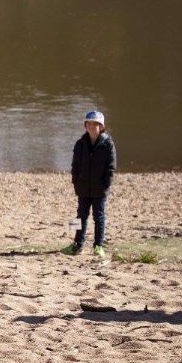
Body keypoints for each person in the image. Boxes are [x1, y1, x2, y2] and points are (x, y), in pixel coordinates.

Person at [63, 110, 116, 258]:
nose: (92, 126)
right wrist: (76, 182)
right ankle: (77, 244)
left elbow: (111, 167)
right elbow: (75, 166)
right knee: (80, 216)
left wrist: (106, 185)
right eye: (89, 123)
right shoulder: (80, 143)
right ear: (85, 125)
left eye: (95, 124)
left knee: (98, 217)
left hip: (100, 189)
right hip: (83, 188)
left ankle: (98, 246)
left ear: (101, 126)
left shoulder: (108, 144)